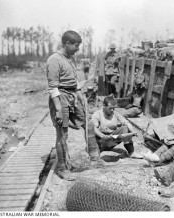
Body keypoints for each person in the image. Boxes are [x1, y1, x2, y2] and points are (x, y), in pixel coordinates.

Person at [46, 30, 99, 181]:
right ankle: (63, 168)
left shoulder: (71, 58)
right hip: (60, 98)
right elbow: (53, 87)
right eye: (76, 45)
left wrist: (80, 95)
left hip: (73, 96)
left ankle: (95, 158)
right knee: (62, 134)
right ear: (67, 43)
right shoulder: (54, 60)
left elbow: (74, 82)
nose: (78, 49)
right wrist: (57, 109)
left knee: (88, 124)